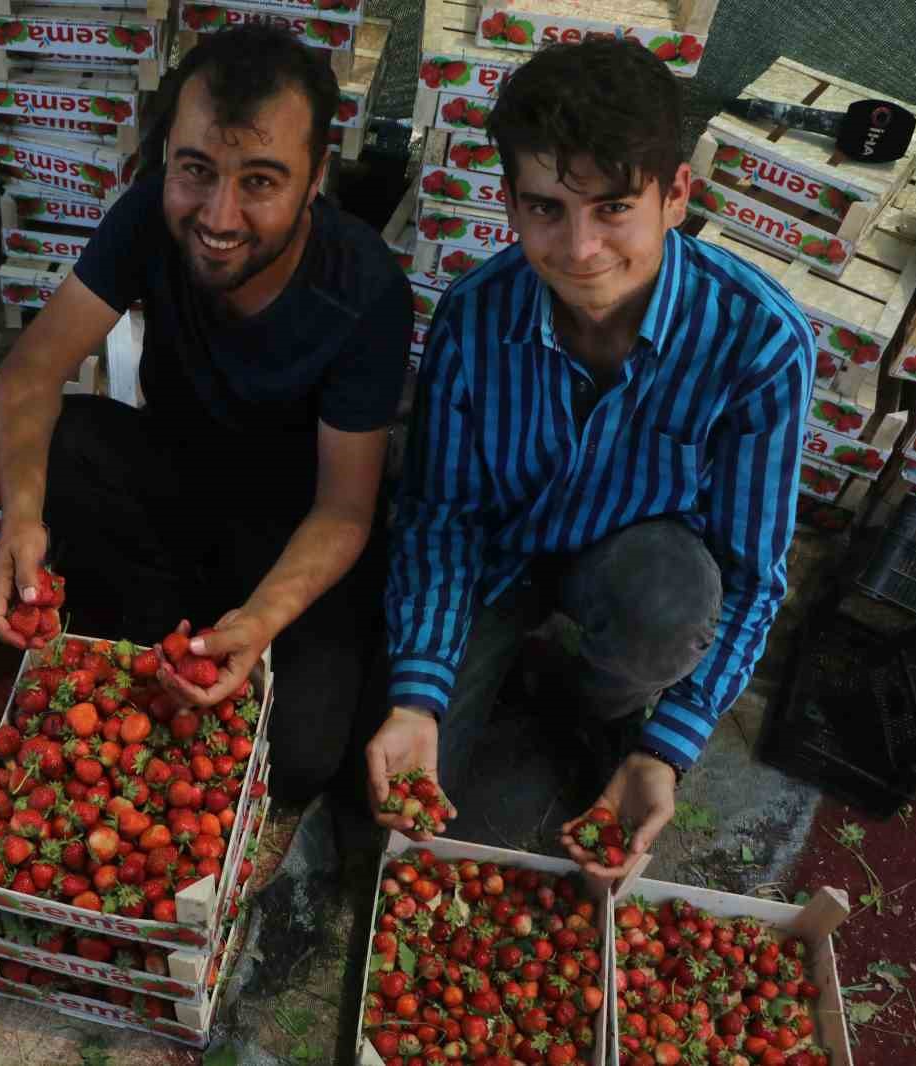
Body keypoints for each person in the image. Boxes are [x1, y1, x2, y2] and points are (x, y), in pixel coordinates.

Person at [369, 39, 812, 873]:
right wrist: (418, 693)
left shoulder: (758, 342)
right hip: (498, 556)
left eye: (612, 208)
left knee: (676, 602)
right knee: (402, 818)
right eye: (545, 209)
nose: (578, 250)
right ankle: (497, 670)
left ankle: (587, 697)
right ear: (509, 203)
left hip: (632, 559)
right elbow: (441, 516)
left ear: (675, 195)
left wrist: (668, 745)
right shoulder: (474, 318)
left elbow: (754, 573)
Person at [0, 25, 412, 802]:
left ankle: (181, 633)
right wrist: (20, 518)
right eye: (197, 171)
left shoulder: (364, 291)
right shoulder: (148, 214)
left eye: (260, 180)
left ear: (315, 178)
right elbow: (29, 375)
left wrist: (261, 620)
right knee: (72, 437)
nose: (219, 215)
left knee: (300, 761)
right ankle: (157, 636)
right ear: (165, 162)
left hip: (295, 528)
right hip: (181, 480)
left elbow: (345, 511)